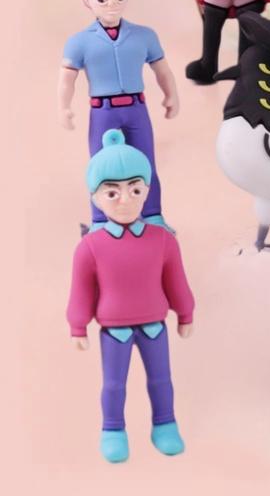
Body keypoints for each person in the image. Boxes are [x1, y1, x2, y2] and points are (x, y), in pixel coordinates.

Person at [67, 129, 195, 462]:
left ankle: (165, 424)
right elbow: (81, 291)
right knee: (113, 384)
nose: (125, 200)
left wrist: (185, 312)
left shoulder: (163, 240)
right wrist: (78, 325)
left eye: (135, 189)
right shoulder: (90, 247)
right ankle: (112, 429)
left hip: (155, 325)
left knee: (162, 380)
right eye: (112, 192)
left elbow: (176, 281)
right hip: (114, 330)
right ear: (95, 197)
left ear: (147, 191)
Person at [59, 0, 178, 229]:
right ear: (87, 0)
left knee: (146, 162)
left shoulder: (144, 36)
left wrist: (171, 94)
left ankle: (153, 215)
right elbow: (67, 79)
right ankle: (101, 220)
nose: (112, 3)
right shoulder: (79, 42)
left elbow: (162, 69)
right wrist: (63, 107)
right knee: (101, 165)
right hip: (103, 112)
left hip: (137, 109)